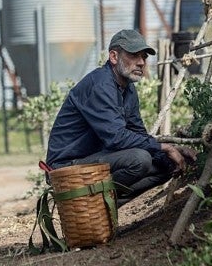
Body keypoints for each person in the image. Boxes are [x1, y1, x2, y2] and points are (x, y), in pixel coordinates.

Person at [45, 29, 197, 206]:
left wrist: (172, 151)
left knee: (166, 165)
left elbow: (138, 133)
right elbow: (116, 138)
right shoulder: (100, 85)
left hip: (95, 160)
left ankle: (104, 207)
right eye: (134, 55)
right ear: (114, 57)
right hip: (65, 168)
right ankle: (92, 202)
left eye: (144, 57)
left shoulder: (128, 88)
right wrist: (163, 146)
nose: (141, 63)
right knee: (139, 159)